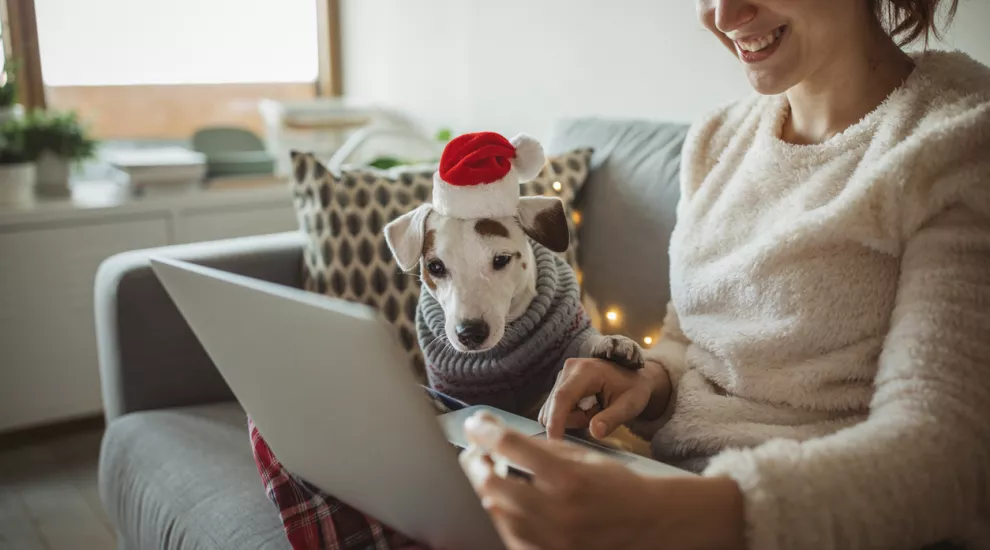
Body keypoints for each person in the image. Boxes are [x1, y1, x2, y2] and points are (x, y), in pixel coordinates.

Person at [457, 0, 990, 549]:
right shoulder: (717, 139)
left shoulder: (958, 141)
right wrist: (648, 382)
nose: (726, 14)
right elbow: (690, 340)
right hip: (672, 489)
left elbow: (943, 455)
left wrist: (667, 516)